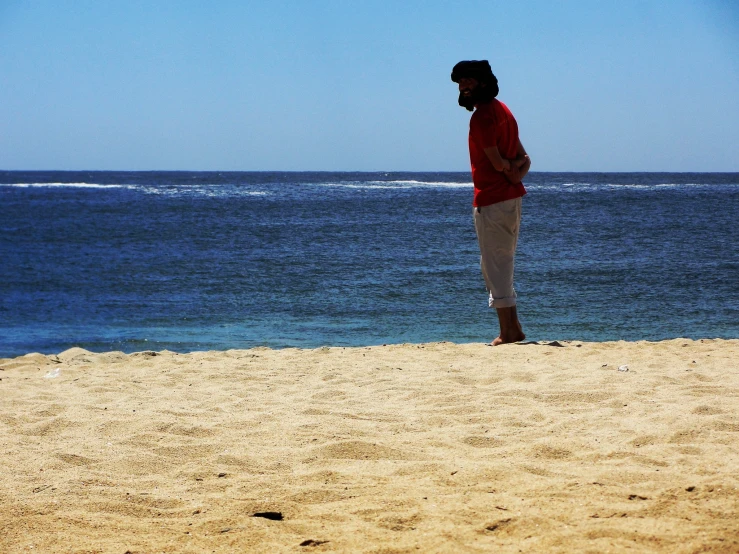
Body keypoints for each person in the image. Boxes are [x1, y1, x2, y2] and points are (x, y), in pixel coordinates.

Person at [451, 60, 531, 345]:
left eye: (468, 81)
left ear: (483, 82)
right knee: (501, 262)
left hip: (493, 198)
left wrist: (507, 172)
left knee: (495, 265)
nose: (463, 86)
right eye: (460, 82)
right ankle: (513, 327)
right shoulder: (504, 111)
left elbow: (497, 163)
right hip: (510, 197)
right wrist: (514, 175)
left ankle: (509, 331)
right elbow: (524, 159)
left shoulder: (483, 116)